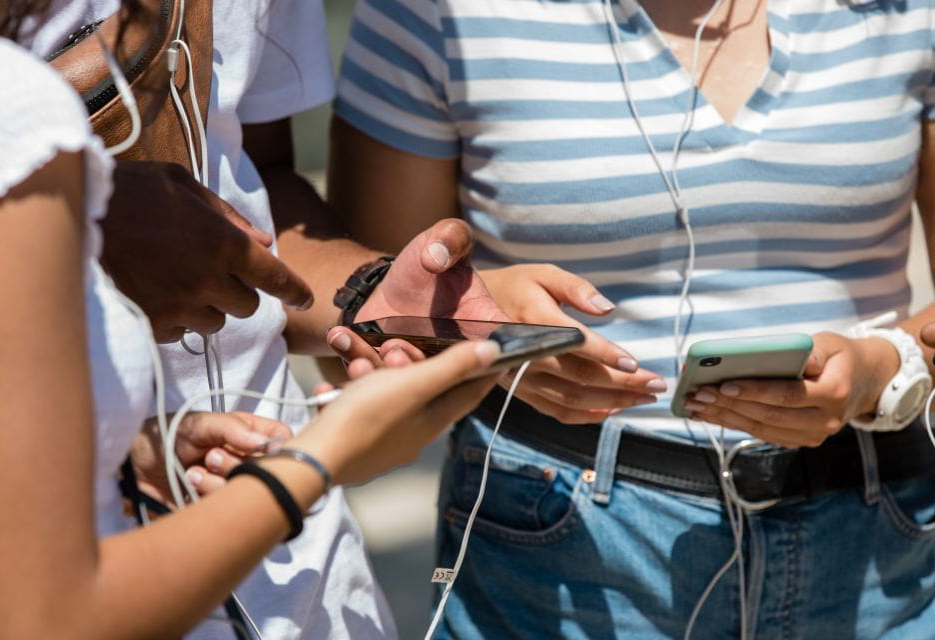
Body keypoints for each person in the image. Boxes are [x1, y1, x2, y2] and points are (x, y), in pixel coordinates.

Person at [328, 0, 935, 636]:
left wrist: (886, 367)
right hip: (557, 540)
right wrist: (486, 335)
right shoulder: (435, 11)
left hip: (877, 535)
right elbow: (368, 329)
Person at [0, 7, 507, 639]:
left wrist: (370, 296)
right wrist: (326, 456)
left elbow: (253, 178)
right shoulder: (6, 101)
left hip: (306, 578)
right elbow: (45, 616)